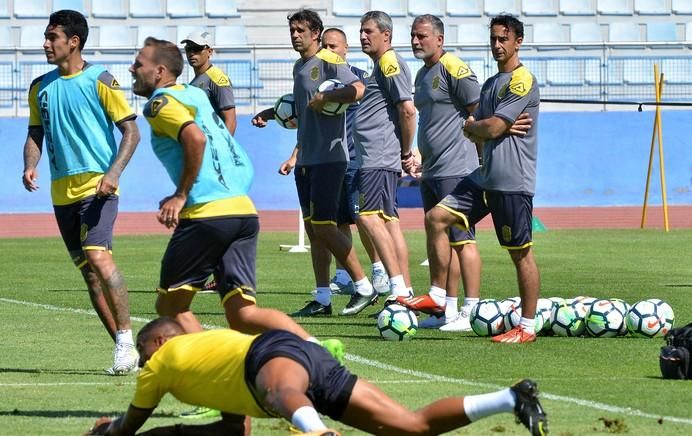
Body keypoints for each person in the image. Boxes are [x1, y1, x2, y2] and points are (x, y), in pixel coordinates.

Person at [128, 37, 345, 362]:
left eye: (139, 64)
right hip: (242, 210)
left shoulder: (160, 104)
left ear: (159, 72)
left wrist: (181, 194)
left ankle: (212, 373)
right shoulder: (195, 95)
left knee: (170, 306)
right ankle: (318, 351)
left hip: (206, 215)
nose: (133, 69)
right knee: (242, 313)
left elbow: (195, 138)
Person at [87, 317, 549, 436]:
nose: (143, 361)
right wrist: (174, 431)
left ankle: (314, 432)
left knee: (279, 390)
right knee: (410, 427)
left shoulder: (165, 363)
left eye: (144, 350)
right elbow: (233, 428)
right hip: (303, 360)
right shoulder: (204, 354)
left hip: (272, 355)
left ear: (160, 343)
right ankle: (512, 398)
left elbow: (128, 427)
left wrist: (108, 429)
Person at [21, 9, 140, 375]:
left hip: (97, 187)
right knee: (89, 274)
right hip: (61, 193)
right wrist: (30, 164)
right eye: (46, 36)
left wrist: (114, 172)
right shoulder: (39, 87)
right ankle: (124, 352)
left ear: (73, 42)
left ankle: (126, 339)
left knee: (98, 256)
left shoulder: (100, 80)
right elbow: (36, 133)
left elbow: (132, 132)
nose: (46, 43)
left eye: (52, 37)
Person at [252, 9, 376, 317]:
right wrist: (271, 113)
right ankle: (322, 298)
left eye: (300, 30)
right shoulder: (299, 66)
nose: (295, 35)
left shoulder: (330, 61)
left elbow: (358, 90)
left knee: (324, 225)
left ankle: (364, 286)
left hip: (330, 158)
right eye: (292, 30)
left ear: (315, 33)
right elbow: (300, 107)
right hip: (307, 158)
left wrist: (331, 96)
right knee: (312, 229)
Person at [425, 14, 541, 344]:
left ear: (518, 41)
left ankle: (527, 328)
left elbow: (486, 127)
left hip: (511, 180)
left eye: (503, 39)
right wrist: (487, 127)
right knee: (436, 217)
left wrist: (486, 127)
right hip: (484, 177)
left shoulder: (522, 81)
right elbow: (478, 128)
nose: (497, 45)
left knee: (520, 253)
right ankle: (437, 295)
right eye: (493, 39)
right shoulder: (490, 85)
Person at [278, 27, 390, 303]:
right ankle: (336, 282)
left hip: (351, 160)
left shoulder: (353, 79)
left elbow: (374, 107)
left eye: (334, 45)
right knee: (334, 222)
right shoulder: (311, 71)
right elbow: (309, 123)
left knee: (361, 219)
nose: (329, 50)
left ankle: (376, 273)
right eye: (326, 45)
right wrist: (294, 153)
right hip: (316, 158)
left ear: (346, 48)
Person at [395, 14, 483, 332]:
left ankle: (470, 313)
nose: (416, 41)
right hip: (433, 169)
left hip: (458, 168)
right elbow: (433, 122)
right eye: (413, 36)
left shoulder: (455, 68)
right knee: (439, 238)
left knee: (462, 239)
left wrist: (482, 162)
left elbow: (479, 115)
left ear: (439, 39)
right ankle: (447, 310)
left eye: (422, 36)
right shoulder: (421, 74)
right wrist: (420, 154)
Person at [353, 10, 416, 302]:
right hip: (376, 155)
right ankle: (406, 289)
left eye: (369, 31)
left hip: (379, 155)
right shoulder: (380, 65)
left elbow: (407, 110)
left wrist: (406, 150)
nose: (363, 36)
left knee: (367, 217)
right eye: (361, 31)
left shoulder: (389, 62)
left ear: (386, 35)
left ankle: (397, 287)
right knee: (389, 221)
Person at [180, 30, 238, 294]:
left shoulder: (216, 78)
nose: (192, 53)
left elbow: (230, 120)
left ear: (209, 51)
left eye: (197, 48)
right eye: (188, 48)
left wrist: (221, 157)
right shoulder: (195, 82)